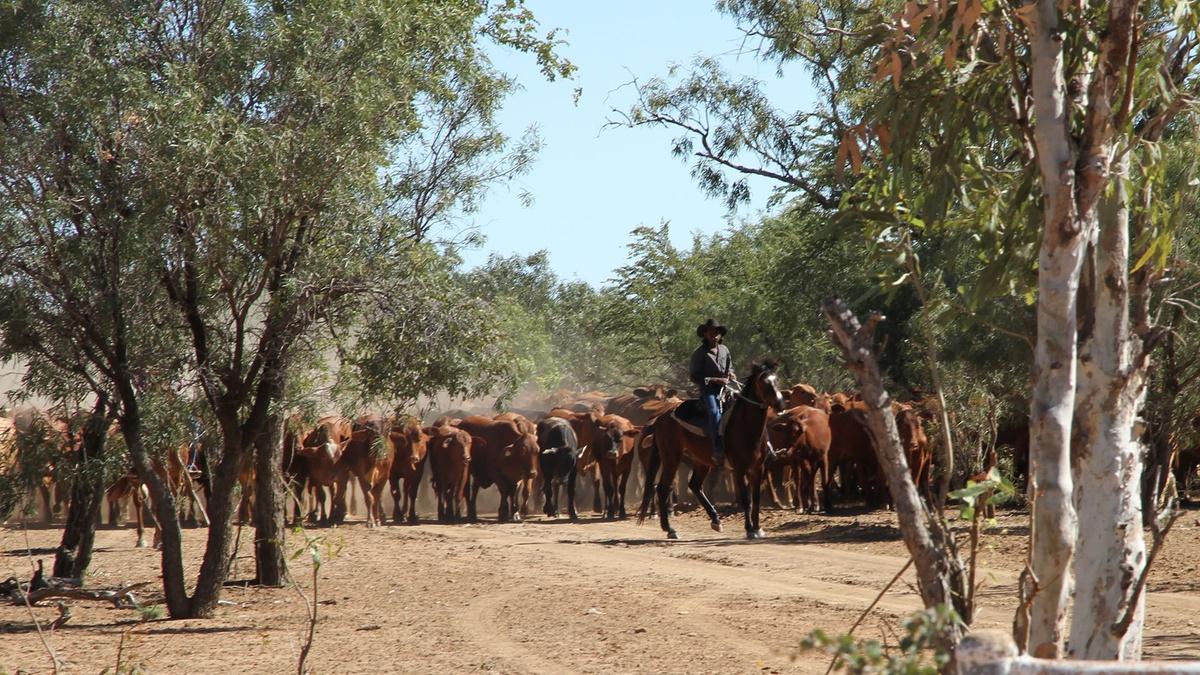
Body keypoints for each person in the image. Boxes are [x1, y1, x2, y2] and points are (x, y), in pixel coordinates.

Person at [689, 319, 734, 465]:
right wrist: (714, 380)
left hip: (725, 388)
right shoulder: (699, 353)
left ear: (720, 334)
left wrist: (731, 374)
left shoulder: (725, 350)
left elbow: (729, 367)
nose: (714, 335)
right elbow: (694, 377)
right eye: (711, 332)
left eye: (717, 332)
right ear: (705, 334)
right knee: (715, 414)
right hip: (708, 391)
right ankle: (717, 448)